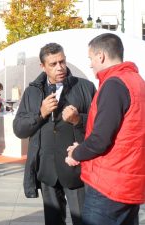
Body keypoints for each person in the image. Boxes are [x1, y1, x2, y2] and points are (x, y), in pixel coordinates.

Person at [66, 33, 145, 225]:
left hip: (110, 184)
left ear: (101, 56)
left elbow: (100, 140)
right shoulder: (136, 81)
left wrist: (76, 153)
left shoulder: (114, 84)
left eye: (91, 58)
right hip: (129, 180)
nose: (91, 64)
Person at [13, 43, 96, 225]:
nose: (60, 67)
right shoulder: (32, 92)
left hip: (76, 169)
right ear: (42, 66)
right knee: (53, 221)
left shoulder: (85, 87)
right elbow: (19, 128)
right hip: (47, 170)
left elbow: (99, 126)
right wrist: (40, 114)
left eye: (62, 61)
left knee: (83, 220)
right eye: (53, 64)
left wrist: (78, 119)